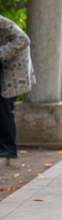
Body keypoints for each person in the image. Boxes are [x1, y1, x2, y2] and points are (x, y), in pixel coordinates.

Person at [0, 15, 36, 159]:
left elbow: (24, 39)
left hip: (14, 71)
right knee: (2, 109)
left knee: (5, 109)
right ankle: (5, 146)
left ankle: (10, 148)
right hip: (5, 70)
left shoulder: (2, 22)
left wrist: (1, 53)